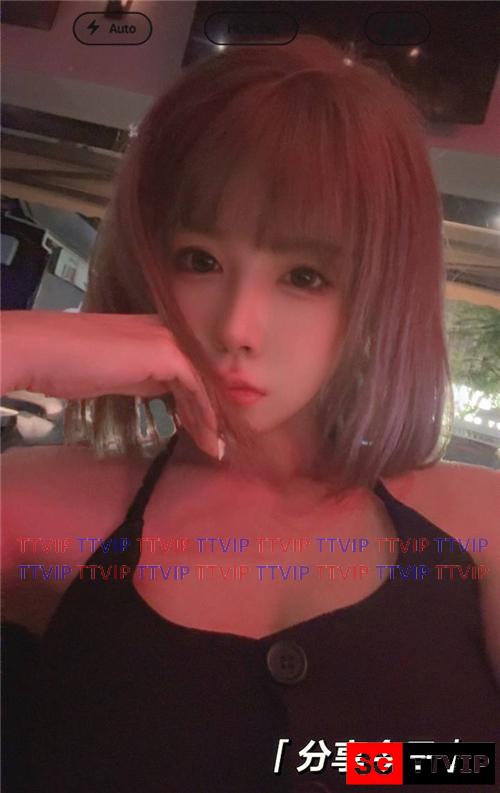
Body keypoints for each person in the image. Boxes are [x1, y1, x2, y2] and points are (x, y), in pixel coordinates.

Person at [1, 33, 499, 793]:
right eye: (200, 260)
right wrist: (19, 348)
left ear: (375, 297)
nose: (237, 325)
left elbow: (466, 769)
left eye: (305, 275)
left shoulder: (480, 528)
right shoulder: (40, 507)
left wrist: (335, 762)